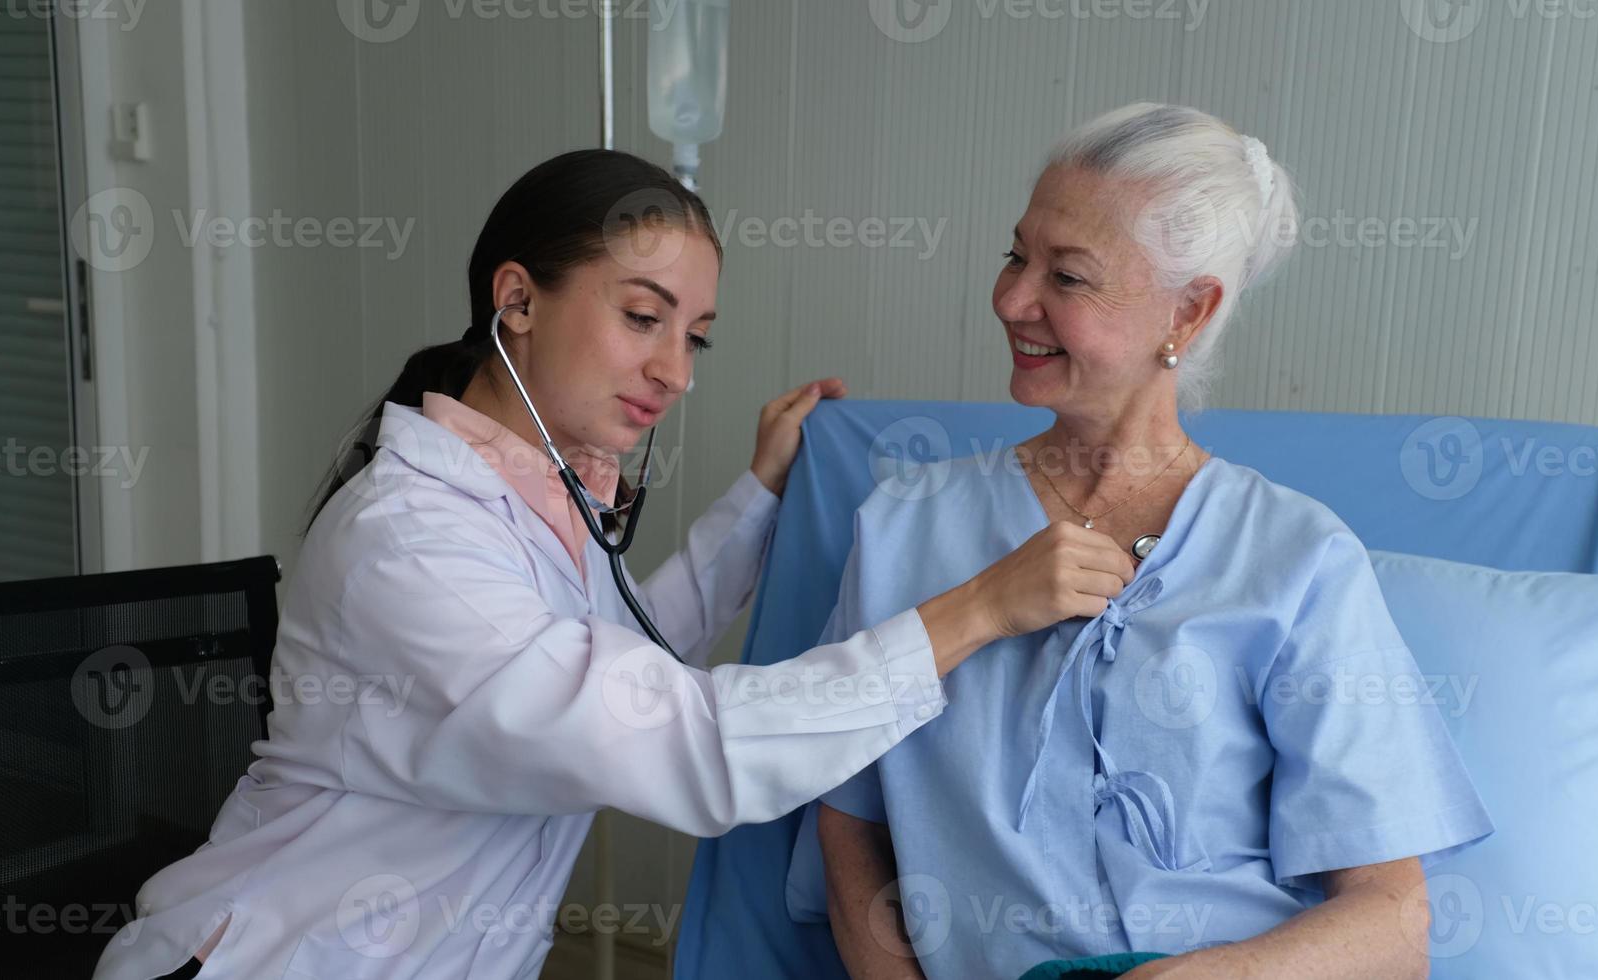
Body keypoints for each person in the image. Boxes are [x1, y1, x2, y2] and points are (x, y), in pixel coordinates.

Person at [93, 149, 1138, 979]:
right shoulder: (408, 542)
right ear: (518, 299)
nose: (673, 372)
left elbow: (629, 650)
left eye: (696, 337)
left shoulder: (535, 497)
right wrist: (977, 610)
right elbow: (684, 743)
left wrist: (762, 492)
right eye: (641, 316)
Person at [810, 104, 1495, 980]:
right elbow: (847, 818)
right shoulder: (907, 526)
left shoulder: (1297, 558)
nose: (1012, 299)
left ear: (1189, 311)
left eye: (1069, 277)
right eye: (1017, 254)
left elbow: (1394, 924)